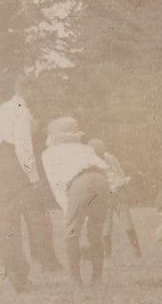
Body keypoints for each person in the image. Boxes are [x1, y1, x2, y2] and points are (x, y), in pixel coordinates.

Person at [0, 76, 44, 291]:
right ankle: (19, 276)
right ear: (27, 90)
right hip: (14, 165)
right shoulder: (22, 109)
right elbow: (23, 146)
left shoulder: (1, 109)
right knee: (18, 221)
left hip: (0, 164)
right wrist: (33, 176)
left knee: (6, 221)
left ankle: (10, 272)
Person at [42, 117, 112, 286]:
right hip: (101, 180)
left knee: (71, 233)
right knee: (95, 231)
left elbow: (57, 184)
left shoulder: (50, 154)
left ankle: (75, 279)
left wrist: (69, 211)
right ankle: (97, 278)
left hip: (81, 182)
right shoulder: (85, 149)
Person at [87, 138, 142, 259]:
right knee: (107, 226)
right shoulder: (90, 163)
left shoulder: (110, 157)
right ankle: (107, 254)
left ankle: (137, 251)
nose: (101, 155)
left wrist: (123, 184)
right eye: (98, 153)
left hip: (118, 193)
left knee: (127, 222)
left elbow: (120, 172)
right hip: (104, 196)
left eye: (102, 152)